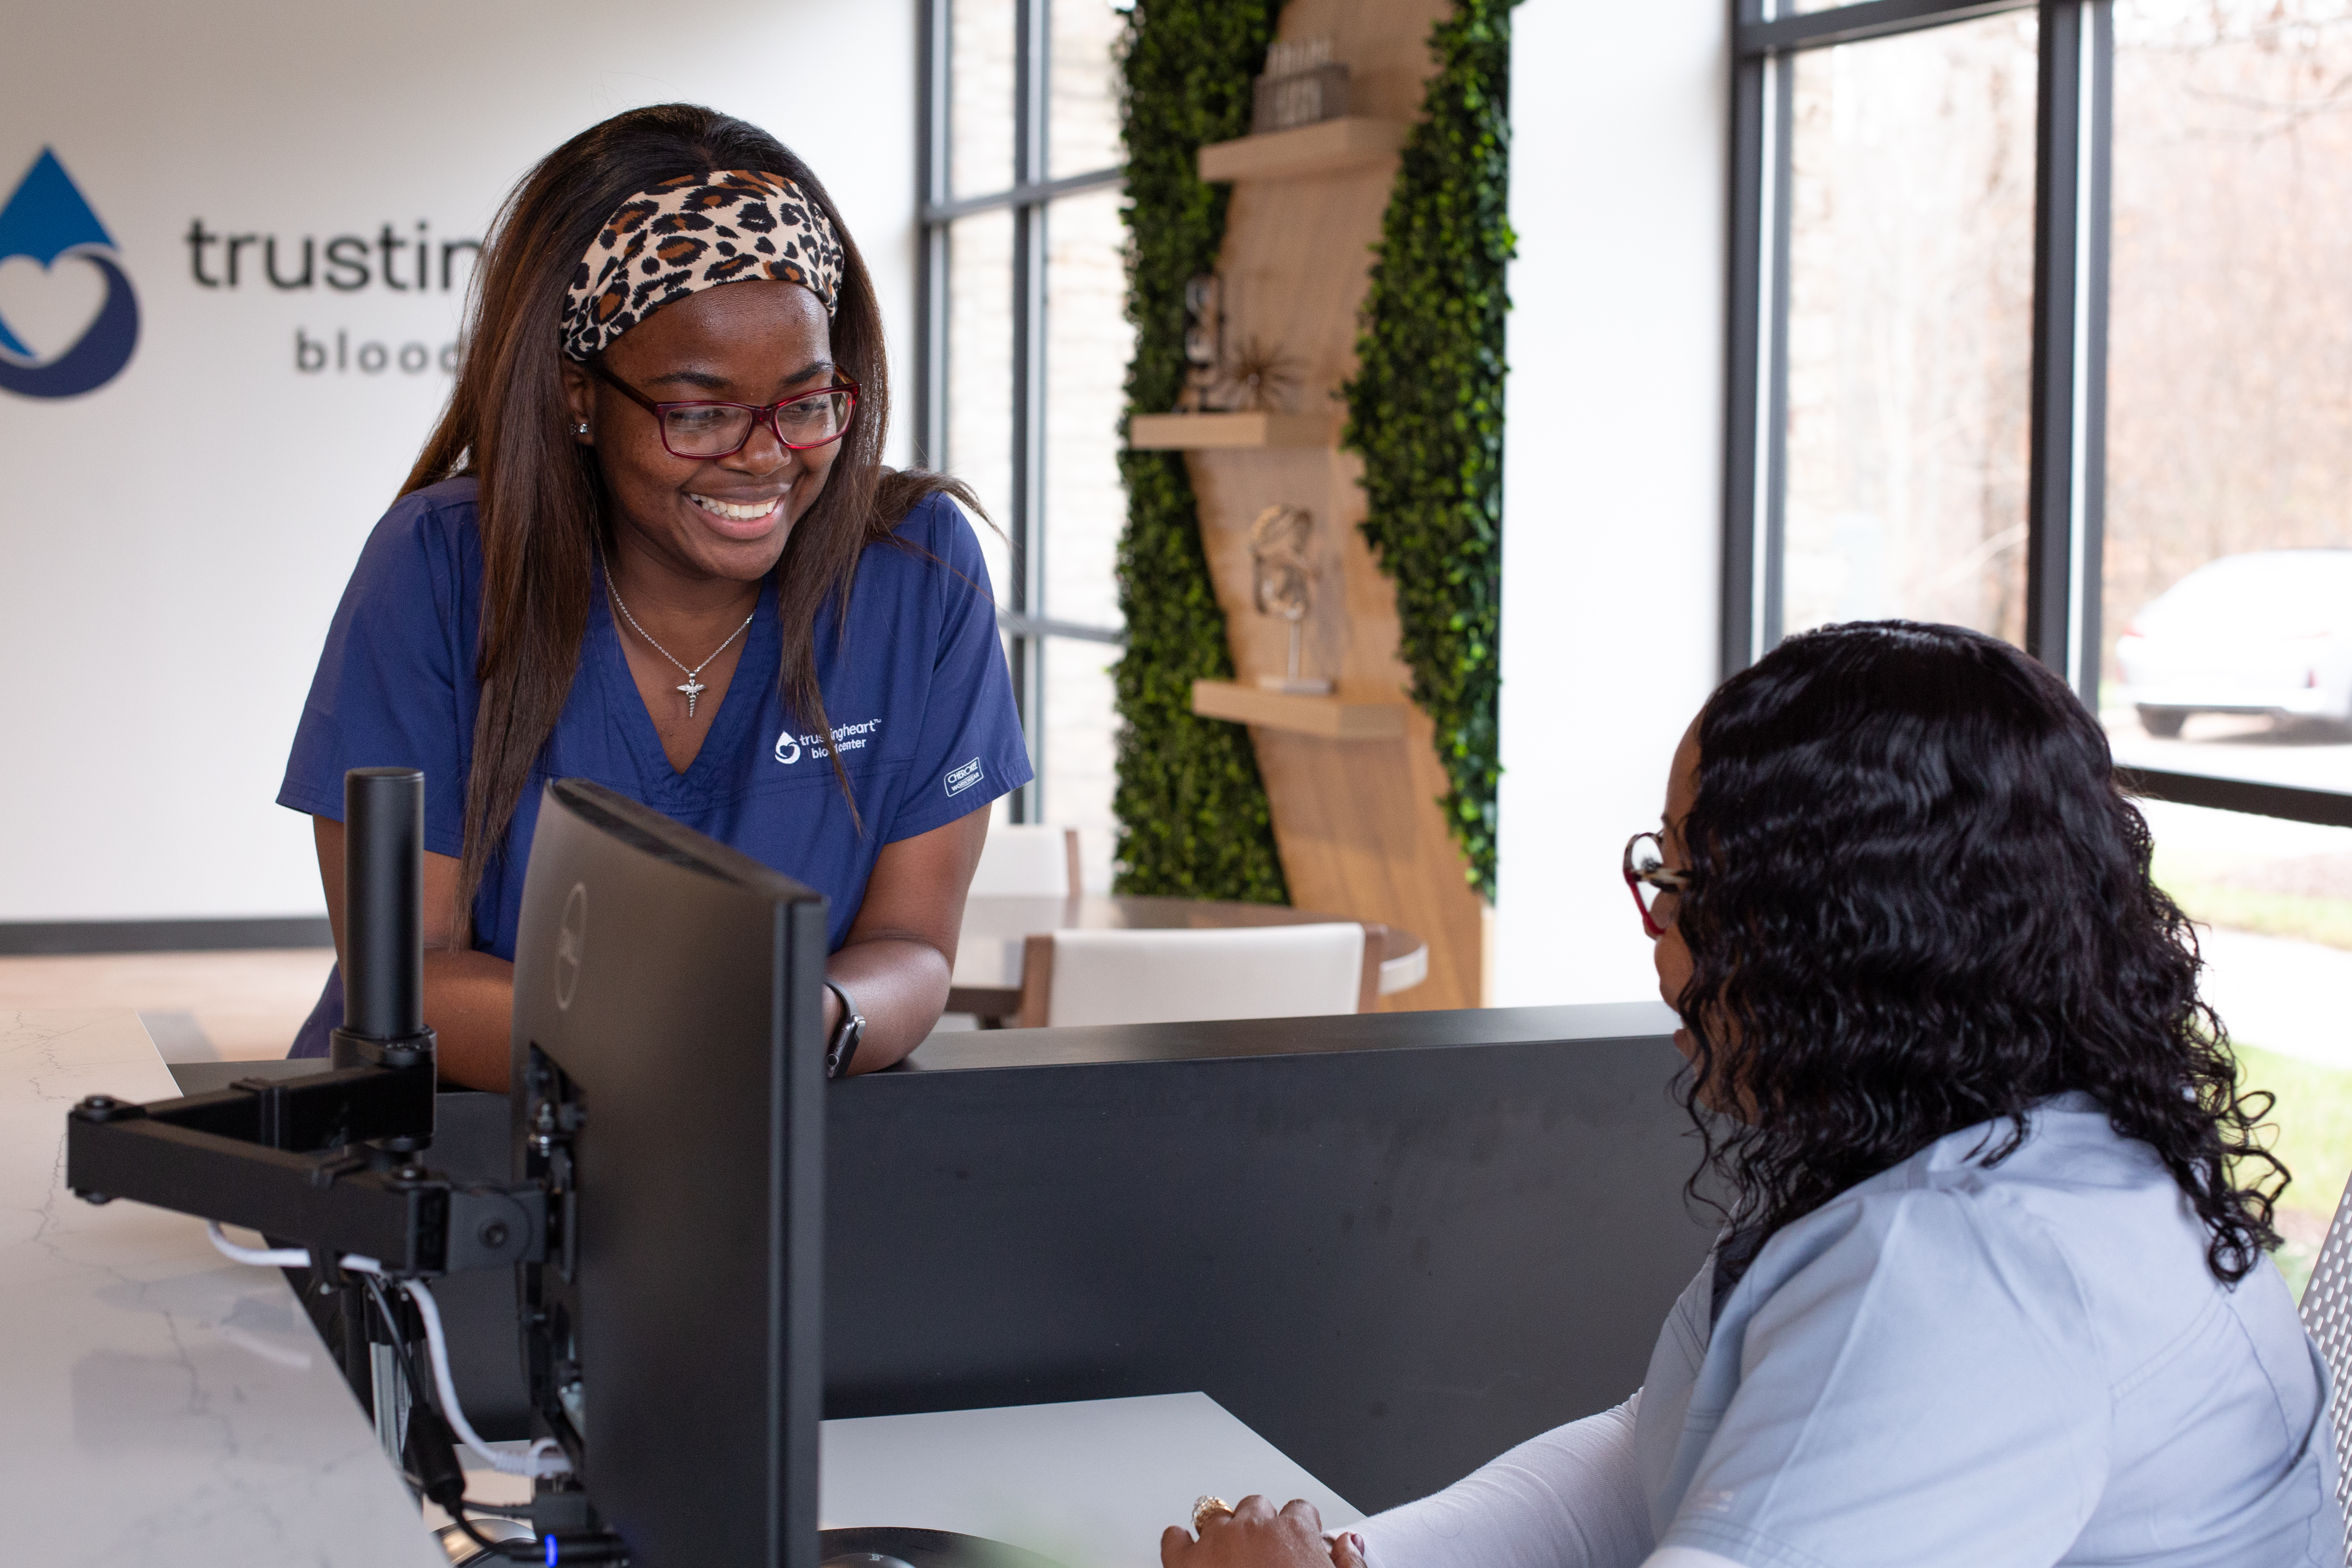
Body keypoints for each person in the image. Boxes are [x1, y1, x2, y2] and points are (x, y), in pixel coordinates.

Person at [1164, 622, 2343, 1568]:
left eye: (1682, 882)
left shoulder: (1972, 1270)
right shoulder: (1973, 1139)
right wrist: (1355, 1558)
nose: (1656, 930)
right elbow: (1643, 1455)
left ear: (1843, 934)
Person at [279, 105, 1028, 1088]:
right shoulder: (440, 569)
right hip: (460, 1158)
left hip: (760, 1156)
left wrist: (818, 1020)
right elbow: (407, 973)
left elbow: (914, 946)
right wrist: (673, 1049)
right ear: (579, 396)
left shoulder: (917, 573)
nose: (767, 456)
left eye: (805, 402)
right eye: (702, 413)